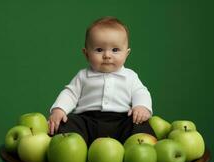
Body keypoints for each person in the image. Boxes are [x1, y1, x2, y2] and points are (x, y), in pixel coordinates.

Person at [48, 16, 155, 146]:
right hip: (87, 120)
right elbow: (70, 93)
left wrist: (141, 106)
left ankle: (137, 153)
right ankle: (71, 151)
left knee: (140, 125)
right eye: (99, 50)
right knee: (67, 122)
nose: (107, 55)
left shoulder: (130, 76)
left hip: (121, 120)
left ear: (126, 54)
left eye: (115, 50)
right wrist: (59, 110)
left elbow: (141, 92)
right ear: (86, 54)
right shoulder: (83, 76)